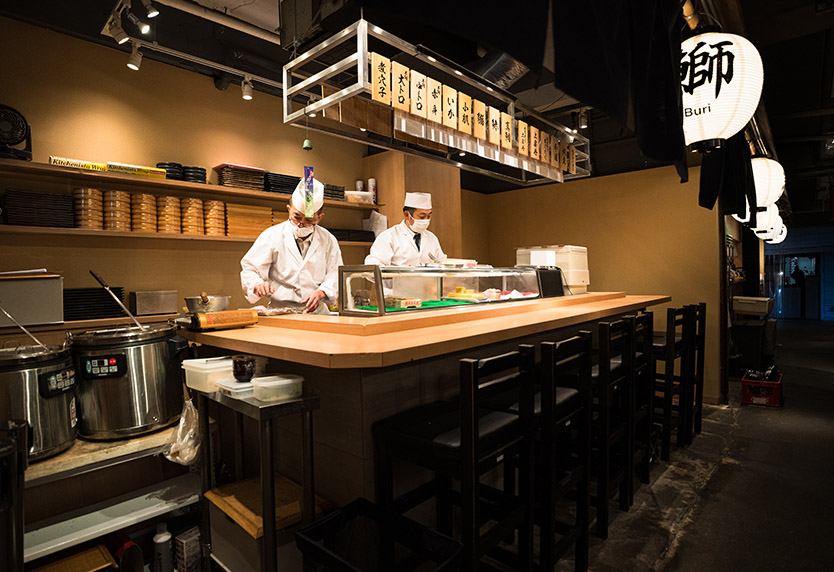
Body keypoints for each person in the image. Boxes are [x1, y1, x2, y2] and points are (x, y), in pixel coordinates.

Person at [240, 178, 343, 314]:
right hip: (280, 312)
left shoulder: (328, 240)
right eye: (297, 217)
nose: (301, 224)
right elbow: (250, 269)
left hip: (317, 313)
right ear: (289, 210)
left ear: (319, 218)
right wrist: (257, 284)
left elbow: (335, 274)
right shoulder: (272, 235)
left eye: (309, 220)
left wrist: (322, 292)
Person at [364, 192, 446, 266]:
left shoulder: (432, 238)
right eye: (422, 216)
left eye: (429, 216)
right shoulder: (389, 237)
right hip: (397, 279)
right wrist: (399, 271)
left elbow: (442, 264)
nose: (426, 220)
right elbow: (373, 266)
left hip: (427, 279)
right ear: (407, 215)